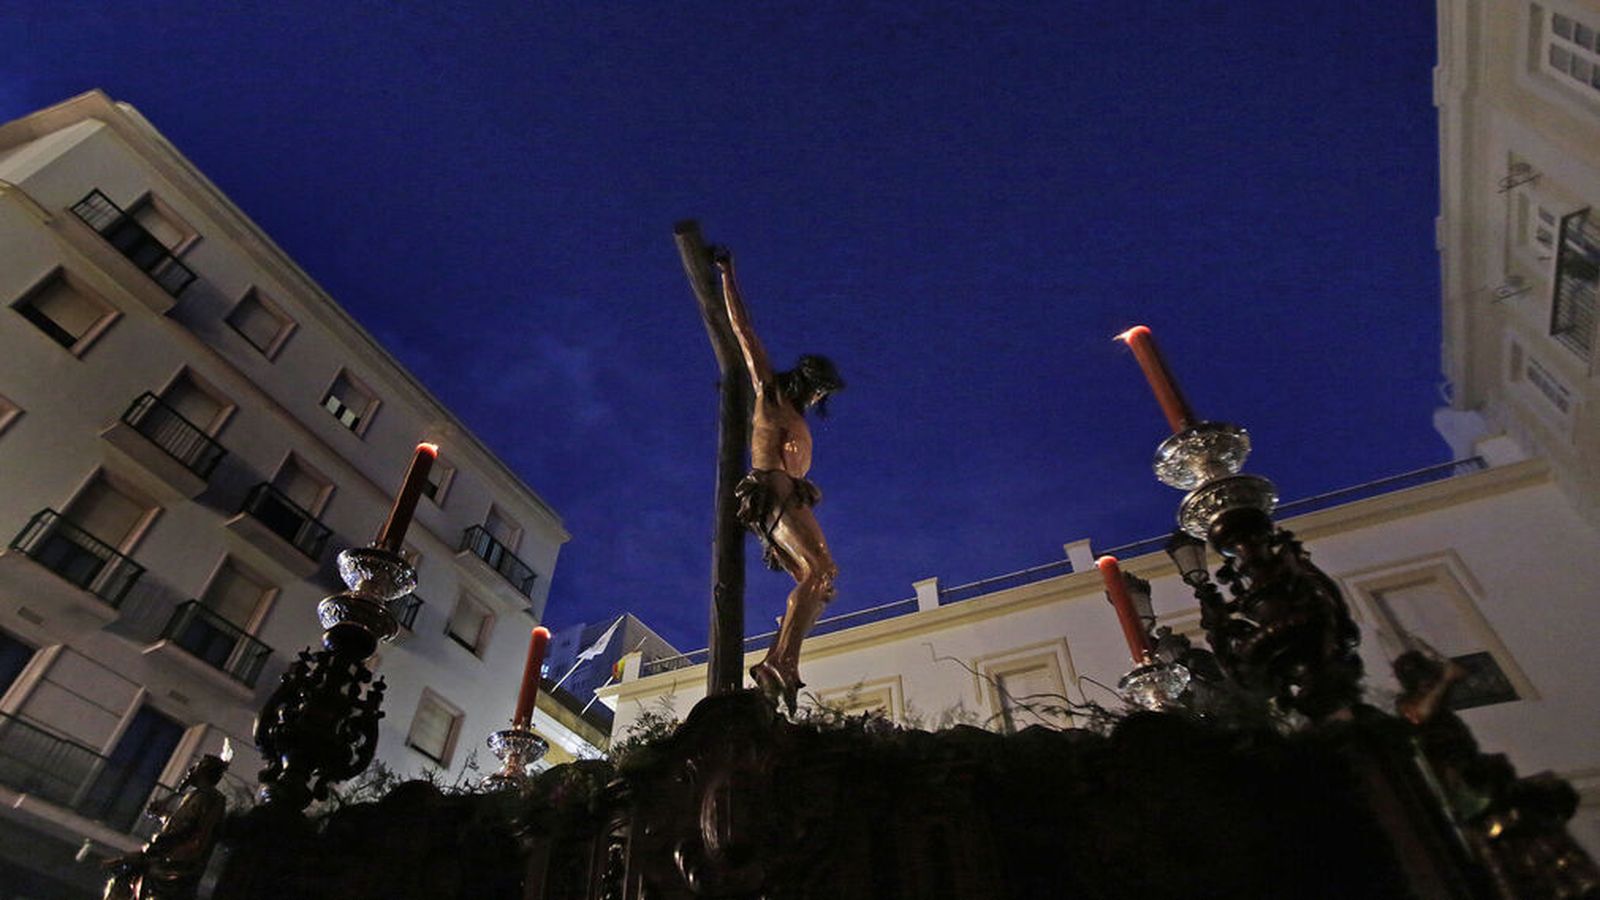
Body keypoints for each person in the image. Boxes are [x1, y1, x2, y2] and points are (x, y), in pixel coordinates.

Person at [714, 247, 844, 713]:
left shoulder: (799, 417)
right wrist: (728, 274)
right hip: (771, 489)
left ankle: (779, 661)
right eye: (816, 390)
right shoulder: (770, 395)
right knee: (821, 571)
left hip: (791, 493)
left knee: (820, 582)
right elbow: (744, 333)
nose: (817, 398)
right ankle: (779, 663)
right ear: (803, 382)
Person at [104, 753, 229, 900]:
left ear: (204, 771)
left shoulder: (207, 797)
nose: (190, 770)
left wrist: (148, 851)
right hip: (171, 860)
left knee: (125, 877)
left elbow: (183, 832)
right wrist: (163, 815)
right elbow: (181, 827)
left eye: (196, 766)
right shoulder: (198, 796)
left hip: (175, 866)